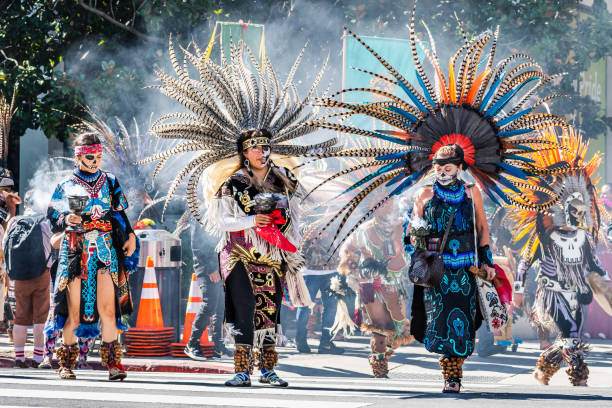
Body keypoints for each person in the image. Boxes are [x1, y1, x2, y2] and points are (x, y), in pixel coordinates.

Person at [306, 7, 567, 392]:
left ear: (461, 166)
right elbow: (412, 231)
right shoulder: (425, 192)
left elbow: (481, 231)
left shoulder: (472, 192)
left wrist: (488, 265)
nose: (445, 169)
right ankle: (450, 374)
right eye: (440, 164)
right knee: (441, 319)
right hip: (436, 269)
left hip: (465, 266)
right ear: (434, 165)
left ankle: (456, 370)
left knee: (464, 319)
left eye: (450, 164)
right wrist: (418, 240)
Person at [136, 37, 338, 387]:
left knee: (269, 313)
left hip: (273, 254)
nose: (262, 151)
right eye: (256, 147)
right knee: (243, 311)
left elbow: (298, 212)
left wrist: (290, 233)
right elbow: (222, 221)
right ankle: (242, 371)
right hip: (240, 253)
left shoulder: (283, 179)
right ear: (244, 153)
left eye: (266, 146)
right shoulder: (232, 183)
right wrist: (251, 220)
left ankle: (269, 370)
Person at [509, 127, 609, 387]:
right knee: (572, 334)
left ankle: (544, 368)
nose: (574, 216)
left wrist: (606, 287)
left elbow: (596, 266)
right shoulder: (544, 236)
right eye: (570, 211)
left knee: (568, 337)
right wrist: (517, 292)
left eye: (579, 212)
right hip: (551, 293)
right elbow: (524, 262)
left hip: (577, 293)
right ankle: (580, 378)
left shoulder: (584, 239)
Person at [46, 132, 136, 380]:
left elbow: (119, 214)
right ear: (78, 157)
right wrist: (66, 218)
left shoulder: (110, 182)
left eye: (98, 156)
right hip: (77, 250)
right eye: (89, 156)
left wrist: (131, 235)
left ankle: (114, 365)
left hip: (106, 251)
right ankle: (66, 363)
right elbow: (52, 216)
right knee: (73, 310)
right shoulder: (65, 186)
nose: (95, 160)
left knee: (109, 309)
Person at [337, 199, 412, 378]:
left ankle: (383, 355)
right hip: (372, 285)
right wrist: (355, 268)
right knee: (379, 327)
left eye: (389, 203)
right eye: (380, 203)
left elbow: (418, 247)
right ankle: (379, 366)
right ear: (373, 207)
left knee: (396, 328)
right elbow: (346, 249)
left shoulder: (404, 226)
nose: (385, 207)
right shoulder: (364, 230)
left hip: (397, 283)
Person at [3, 190, 52, 368]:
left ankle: (19, 358)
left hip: (20, 276)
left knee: (21, 317)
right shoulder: (45, 222)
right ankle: (38, 358)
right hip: (41, 274)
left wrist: (9, 271)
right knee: (41, 317)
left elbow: (5, 245)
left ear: (26, 205)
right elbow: (50, 247)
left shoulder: (15, 221)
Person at [184, 219, 231, 360]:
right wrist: (211, 268)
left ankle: (218, 347)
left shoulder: (218, 209)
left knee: (220, 306)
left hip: (221, 264)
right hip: (207, 267)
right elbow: (197, 245)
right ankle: (191, 344)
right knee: (209, 304)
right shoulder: (200, 212)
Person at [296, 228, 344, 355]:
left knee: (331, 308)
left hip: (332, 271)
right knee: (304, 306)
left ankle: (326, 343)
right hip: (310, 272)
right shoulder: (309, 217)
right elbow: (300, 234)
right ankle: (300, 340)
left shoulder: (335, 220)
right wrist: (313, 232)